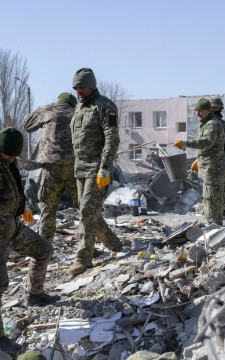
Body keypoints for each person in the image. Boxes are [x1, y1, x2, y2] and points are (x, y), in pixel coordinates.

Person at [0, 128, 59, 355]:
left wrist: (20, 208)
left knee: (44, 249)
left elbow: (13, 188)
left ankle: (34, 294)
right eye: (7, 155)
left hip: (13, 228)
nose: (11, 159)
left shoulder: (9, 162)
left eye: (14, 156)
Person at [69, 68, 122, 277]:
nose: (78, 90)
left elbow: (112, 138)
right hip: (79, 170)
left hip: (96, 170)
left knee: (87, 212)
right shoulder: (79, 108)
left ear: (91, 85)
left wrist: (105, 168)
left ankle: (83, 258)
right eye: (75, 87)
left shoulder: (104, 106)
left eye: (81, 86)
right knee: (88, 213)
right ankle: (114, 243)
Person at [24, 92, 79, 242]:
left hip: (50, 168)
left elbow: (27, 125)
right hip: (73, 167)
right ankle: (93, 244)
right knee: (85, 207)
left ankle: (45, 247)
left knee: (48, 208)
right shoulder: (78, 112)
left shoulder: (48, 110)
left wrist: (43, 110)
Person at [174, 98, 225, 225]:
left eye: (201, 111)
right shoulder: (205, 123)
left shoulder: (212, 124)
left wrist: (186, 143)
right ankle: (213, 223)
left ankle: (214, 225)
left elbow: (207, 142)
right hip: (210, 164)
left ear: (208, 110)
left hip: (214, 166)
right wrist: (198, 160)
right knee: (209, 196)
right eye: (196, 111)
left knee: (212, 196)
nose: (198, 113)